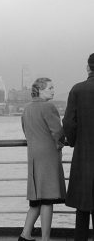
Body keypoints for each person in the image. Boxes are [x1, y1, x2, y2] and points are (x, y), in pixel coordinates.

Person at [19, 78, 66, 241]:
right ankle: (46, 238)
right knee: (47, 199)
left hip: (33, 155)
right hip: (48, 156)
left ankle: (25, 234)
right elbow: (58, 132)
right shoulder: (48, 107)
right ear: (40, 90)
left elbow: (26, 131)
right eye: (50, 88)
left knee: (36, 198)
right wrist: (60, 145)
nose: (53, 90)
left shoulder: (27, 109)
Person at [62, 53, 94, 241]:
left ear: (88, 68)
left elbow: (69, 123)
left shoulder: (77, 90)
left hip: (84, 155)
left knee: (83, 205)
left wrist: (73, 141)